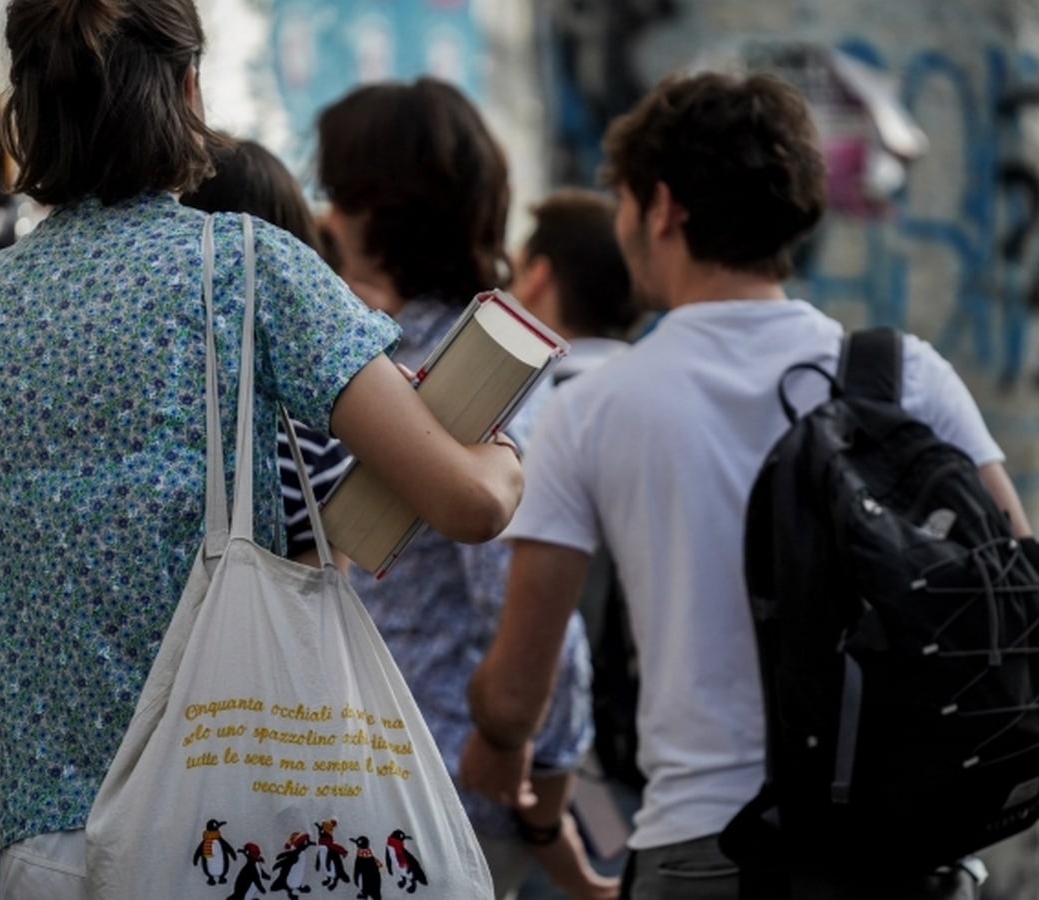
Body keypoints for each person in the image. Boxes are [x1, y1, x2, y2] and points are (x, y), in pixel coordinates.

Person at [0, 3, 523, 896]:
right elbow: (469, 505)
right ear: (185, 90)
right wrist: (503, 454)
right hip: (218, 840)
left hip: (42, 849)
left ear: (28, 104)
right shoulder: (246, 266)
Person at [459, 70, 1026, 900]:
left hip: (706, 848)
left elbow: (516, 694)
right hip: (900, 851)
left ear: (663, 208)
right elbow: (1011, 595)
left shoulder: (593, 409)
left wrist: (495, 737)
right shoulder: (905, 374)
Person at [0, 135, 355, 727]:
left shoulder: (46, 445)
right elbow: (316, 643)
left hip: (59, 794)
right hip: (230, 781)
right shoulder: (306, 448)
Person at [316, 77, 602, 900]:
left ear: (383, 208)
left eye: (339, 193)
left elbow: (531, 595)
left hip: (438, 794)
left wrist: (529, 754)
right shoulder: (383, 347)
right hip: (384, 782)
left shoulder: (481, 372)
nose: (327, 215)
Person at [501, 188, 639, 900]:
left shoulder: (540, 411)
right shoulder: (660, 396)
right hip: (675, 763)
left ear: (539, 277)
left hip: (555, 770)